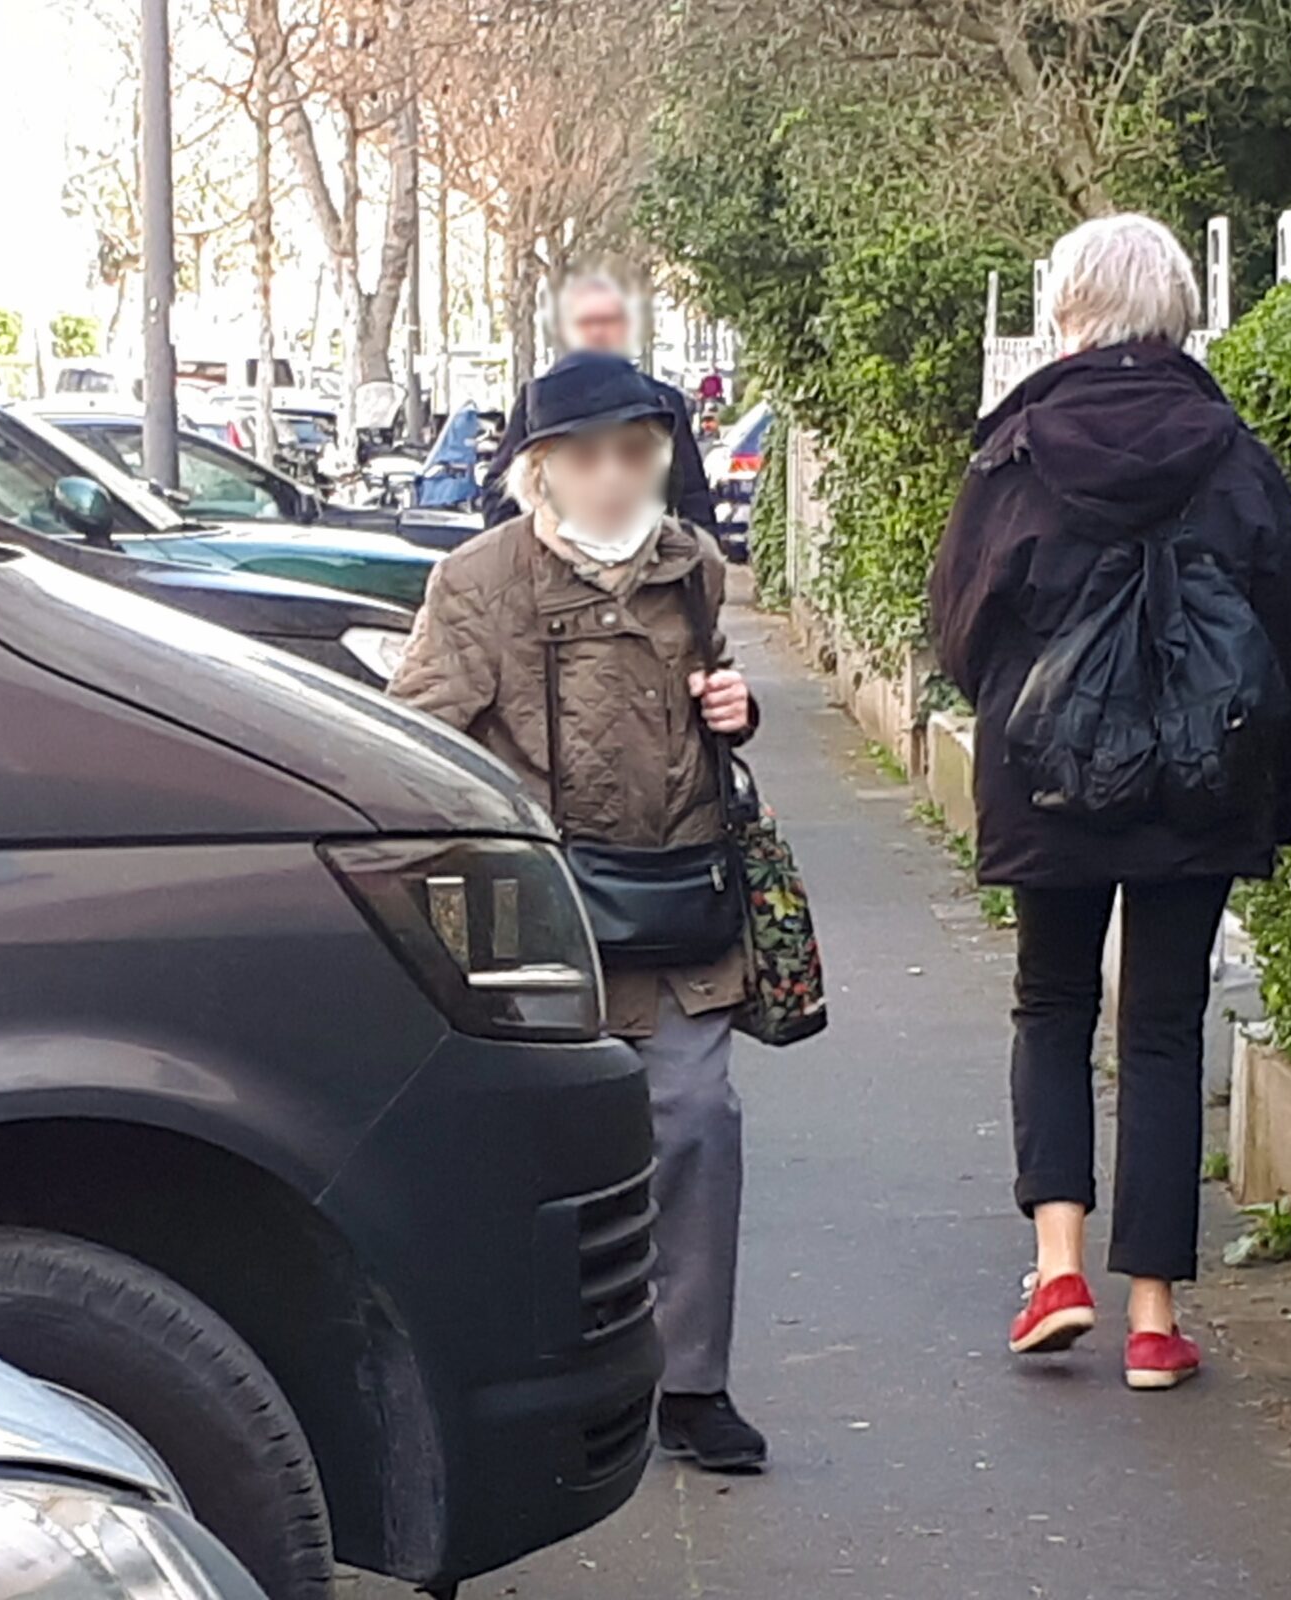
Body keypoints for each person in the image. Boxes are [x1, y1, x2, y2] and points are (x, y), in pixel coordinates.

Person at [926, 214, 1291, 1391]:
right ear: (1178, 314)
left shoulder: (1016, 452)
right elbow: (1282, 641)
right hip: (1197, 783)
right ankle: (1153, 1316)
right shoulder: (1235, 456)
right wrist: (1277, 797)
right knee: (1160, 1025)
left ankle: (1057, 1269)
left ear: (1067, 312)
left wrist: (1019, 705)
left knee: (1050, 1003)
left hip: (1049, 776)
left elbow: (960, 625)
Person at [390, 351, 769, 1472]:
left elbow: (712, 693)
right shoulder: (479, 581)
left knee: (696, 1124)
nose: (611, 476)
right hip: (537, 920)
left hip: (674, 903)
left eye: (632, 454)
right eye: (585, 456)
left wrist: (733, 711)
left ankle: (692, 1384)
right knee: (538, 1150)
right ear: (540, 469)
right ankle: (541, 1385)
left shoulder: (692, 566)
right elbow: (417, 739)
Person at [481, 273, 718, 529]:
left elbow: (693, 497)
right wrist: (531, 545)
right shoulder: (539, 401)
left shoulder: (662, 401)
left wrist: (684, 549)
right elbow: (500, 493)